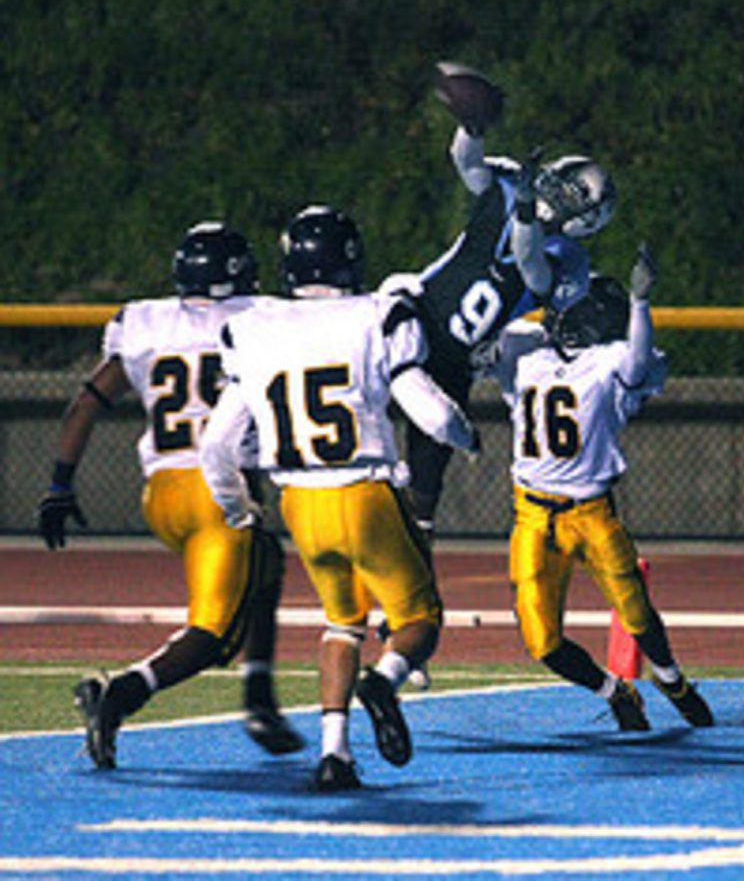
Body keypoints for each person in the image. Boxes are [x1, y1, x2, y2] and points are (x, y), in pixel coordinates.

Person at [200, 205, 480, 792]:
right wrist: (466, 436)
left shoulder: (254, 325)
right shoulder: (378, 314)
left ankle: (335, 755)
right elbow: (427, 410)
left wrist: (237, 508)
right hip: (366, 492)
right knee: (421, 621)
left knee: (340, 623)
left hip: (299, 501)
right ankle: (384, 682)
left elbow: (219, 441)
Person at [35, 221, 304, 769]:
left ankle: (259, 700)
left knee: (268, 563)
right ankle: (122, 693)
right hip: (218, 492)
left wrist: (60, 483)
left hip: (161, 493)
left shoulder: (144, 321)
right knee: (213, 635)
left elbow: (86, 403)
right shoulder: (263, 316)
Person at [489, 245, 714, 731]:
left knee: (635, 608)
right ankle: (615, 690)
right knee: (540, 640)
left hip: (591, 512)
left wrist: (640, 303)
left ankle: (673, 680)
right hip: (532, 513)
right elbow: (503, 326)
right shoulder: (528, 354)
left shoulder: (610, 361)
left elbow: (636, 361)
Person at [383, 117, 618, 542]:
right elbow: (466, 163)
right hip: (414, 318)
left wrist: (526, 209)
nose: (556, 193)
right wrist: (471, 124)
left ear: (585, 219)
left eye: (571, 195)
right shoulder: (511, 182)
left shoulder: (569, 261)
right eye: (559, 182)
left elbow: (527, 261)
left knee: (423, 493)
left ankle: (409, 595)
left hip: (454, 362)